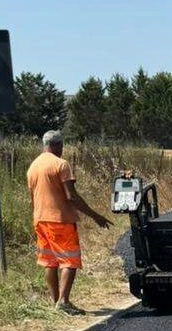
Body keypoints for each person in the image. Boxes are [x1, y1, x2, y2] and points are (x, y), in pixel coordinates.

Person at [26, 130, 112, 315]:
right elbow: (71, 196)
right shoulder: (61, 164)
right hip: (60, 220)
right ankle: (64, 302)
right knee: (69, 261)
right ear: (58, 145)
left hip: (40, 220)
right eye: (62, 146)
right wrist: (96, 216)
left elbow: (31, 197)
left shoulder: (33, 166)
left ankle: (56, 302)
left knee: (50, 262)